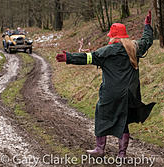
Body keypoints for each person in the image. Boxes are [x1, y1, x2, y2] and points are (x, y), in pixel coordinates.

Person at [56, 11, 155, 157]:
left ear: (113, 36)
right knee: (123, 120)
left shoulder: (106, 52)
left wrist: (68, 57)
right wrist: (147, 26)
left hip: (111, 92)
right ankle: (122, 154)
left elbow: (88, 58)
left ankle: (100, 149)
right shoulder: (134, 47)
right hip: (130, 93)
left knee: (102, 115)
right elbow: (147, 40)